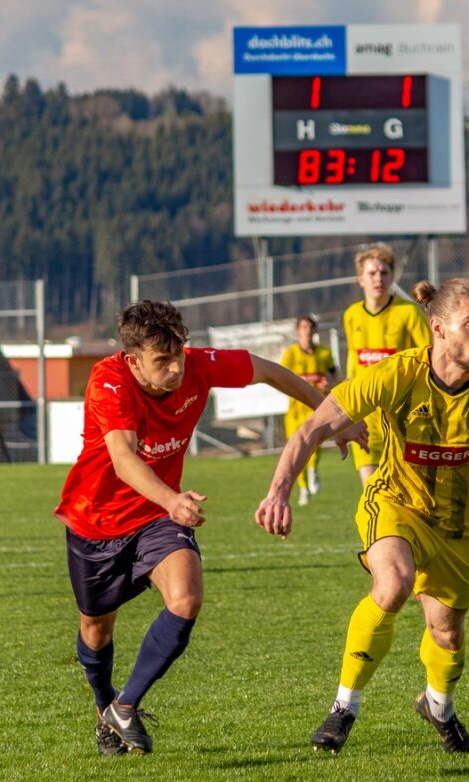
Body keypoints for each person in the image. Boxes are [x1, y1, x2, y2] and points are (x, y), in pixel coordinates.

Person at [256, 278, 469, 756]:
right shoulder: (397, 374)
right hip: (396, 503)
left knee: (447, 633)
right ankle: (344, 706)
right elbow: (311, 430)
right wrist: (278, 492)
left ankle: (438, 706)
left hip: (459, 526)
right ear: (439, 328)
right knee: (394, 582)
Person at [55, 299, 364, 756]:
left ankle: (126, 705)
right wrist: (171, 498)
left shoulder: (197, 365)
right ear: (134, 360)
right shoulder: (109, 381)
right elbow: (123, 458)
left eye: (179, 354)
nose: (176, 368)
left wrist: (332, 418)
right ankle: (106, 712)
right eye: (163, 360)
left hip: (158, 515)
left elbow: (269, 371)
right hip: (96, 519)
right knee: (96, 629)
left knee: (186, 598)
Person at [343, 242, 431, 486]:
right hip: (365, 416)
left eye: (384, 272)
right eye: (371, 273)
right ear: (360, 279)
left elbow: (431, 357)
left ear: (392, 276)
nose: (378, 279)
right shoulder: (351, 315)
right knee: (371, 491)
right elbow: (353, 358)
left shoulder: (409, 313)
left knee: (408, 491)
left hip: (403, 415)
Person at [280, 314, 339, 506]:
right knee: (296, 449)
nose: (307, 330)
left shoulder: (323, 353)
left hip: (316, 408)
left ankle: (313, 470)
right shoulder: (291, 354)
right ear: (298, 331)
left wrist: (329, 385)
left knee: (315, 443)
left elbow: (334, 374)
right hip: (296, 410)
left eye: (310, 327)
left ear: (314, 330)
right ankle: (303, 488)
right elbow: (281, 378)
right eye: (303, 327)